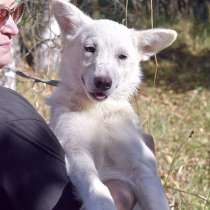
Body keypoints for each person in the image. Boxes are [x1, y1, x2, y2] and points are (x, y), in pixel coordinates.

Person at [0, 1, 155, 209]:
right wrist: (122, 190)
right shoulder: (9, 115)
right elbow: (61, 203)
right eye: (0, 14)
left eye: (16, 12)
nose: (14, 28)